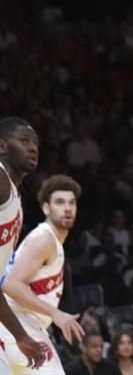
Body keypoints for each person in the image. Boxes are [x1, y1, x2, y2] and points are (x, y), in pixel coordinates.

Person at [0, 174, 85, 375]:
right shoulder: (44, 239)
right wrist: (55, 313)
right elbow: (10, 285)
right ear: (46, 208)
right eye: (60, 202)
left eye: (72, 203)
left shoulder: (52, 241)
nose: (67, 208)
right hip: (18, 324)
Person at [0, 117, 47, 370]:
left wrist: (20, 335)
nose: (33, 148)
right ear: (1, 147)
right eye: (24, 141)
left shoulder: (14, 197)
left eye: (35, 143)